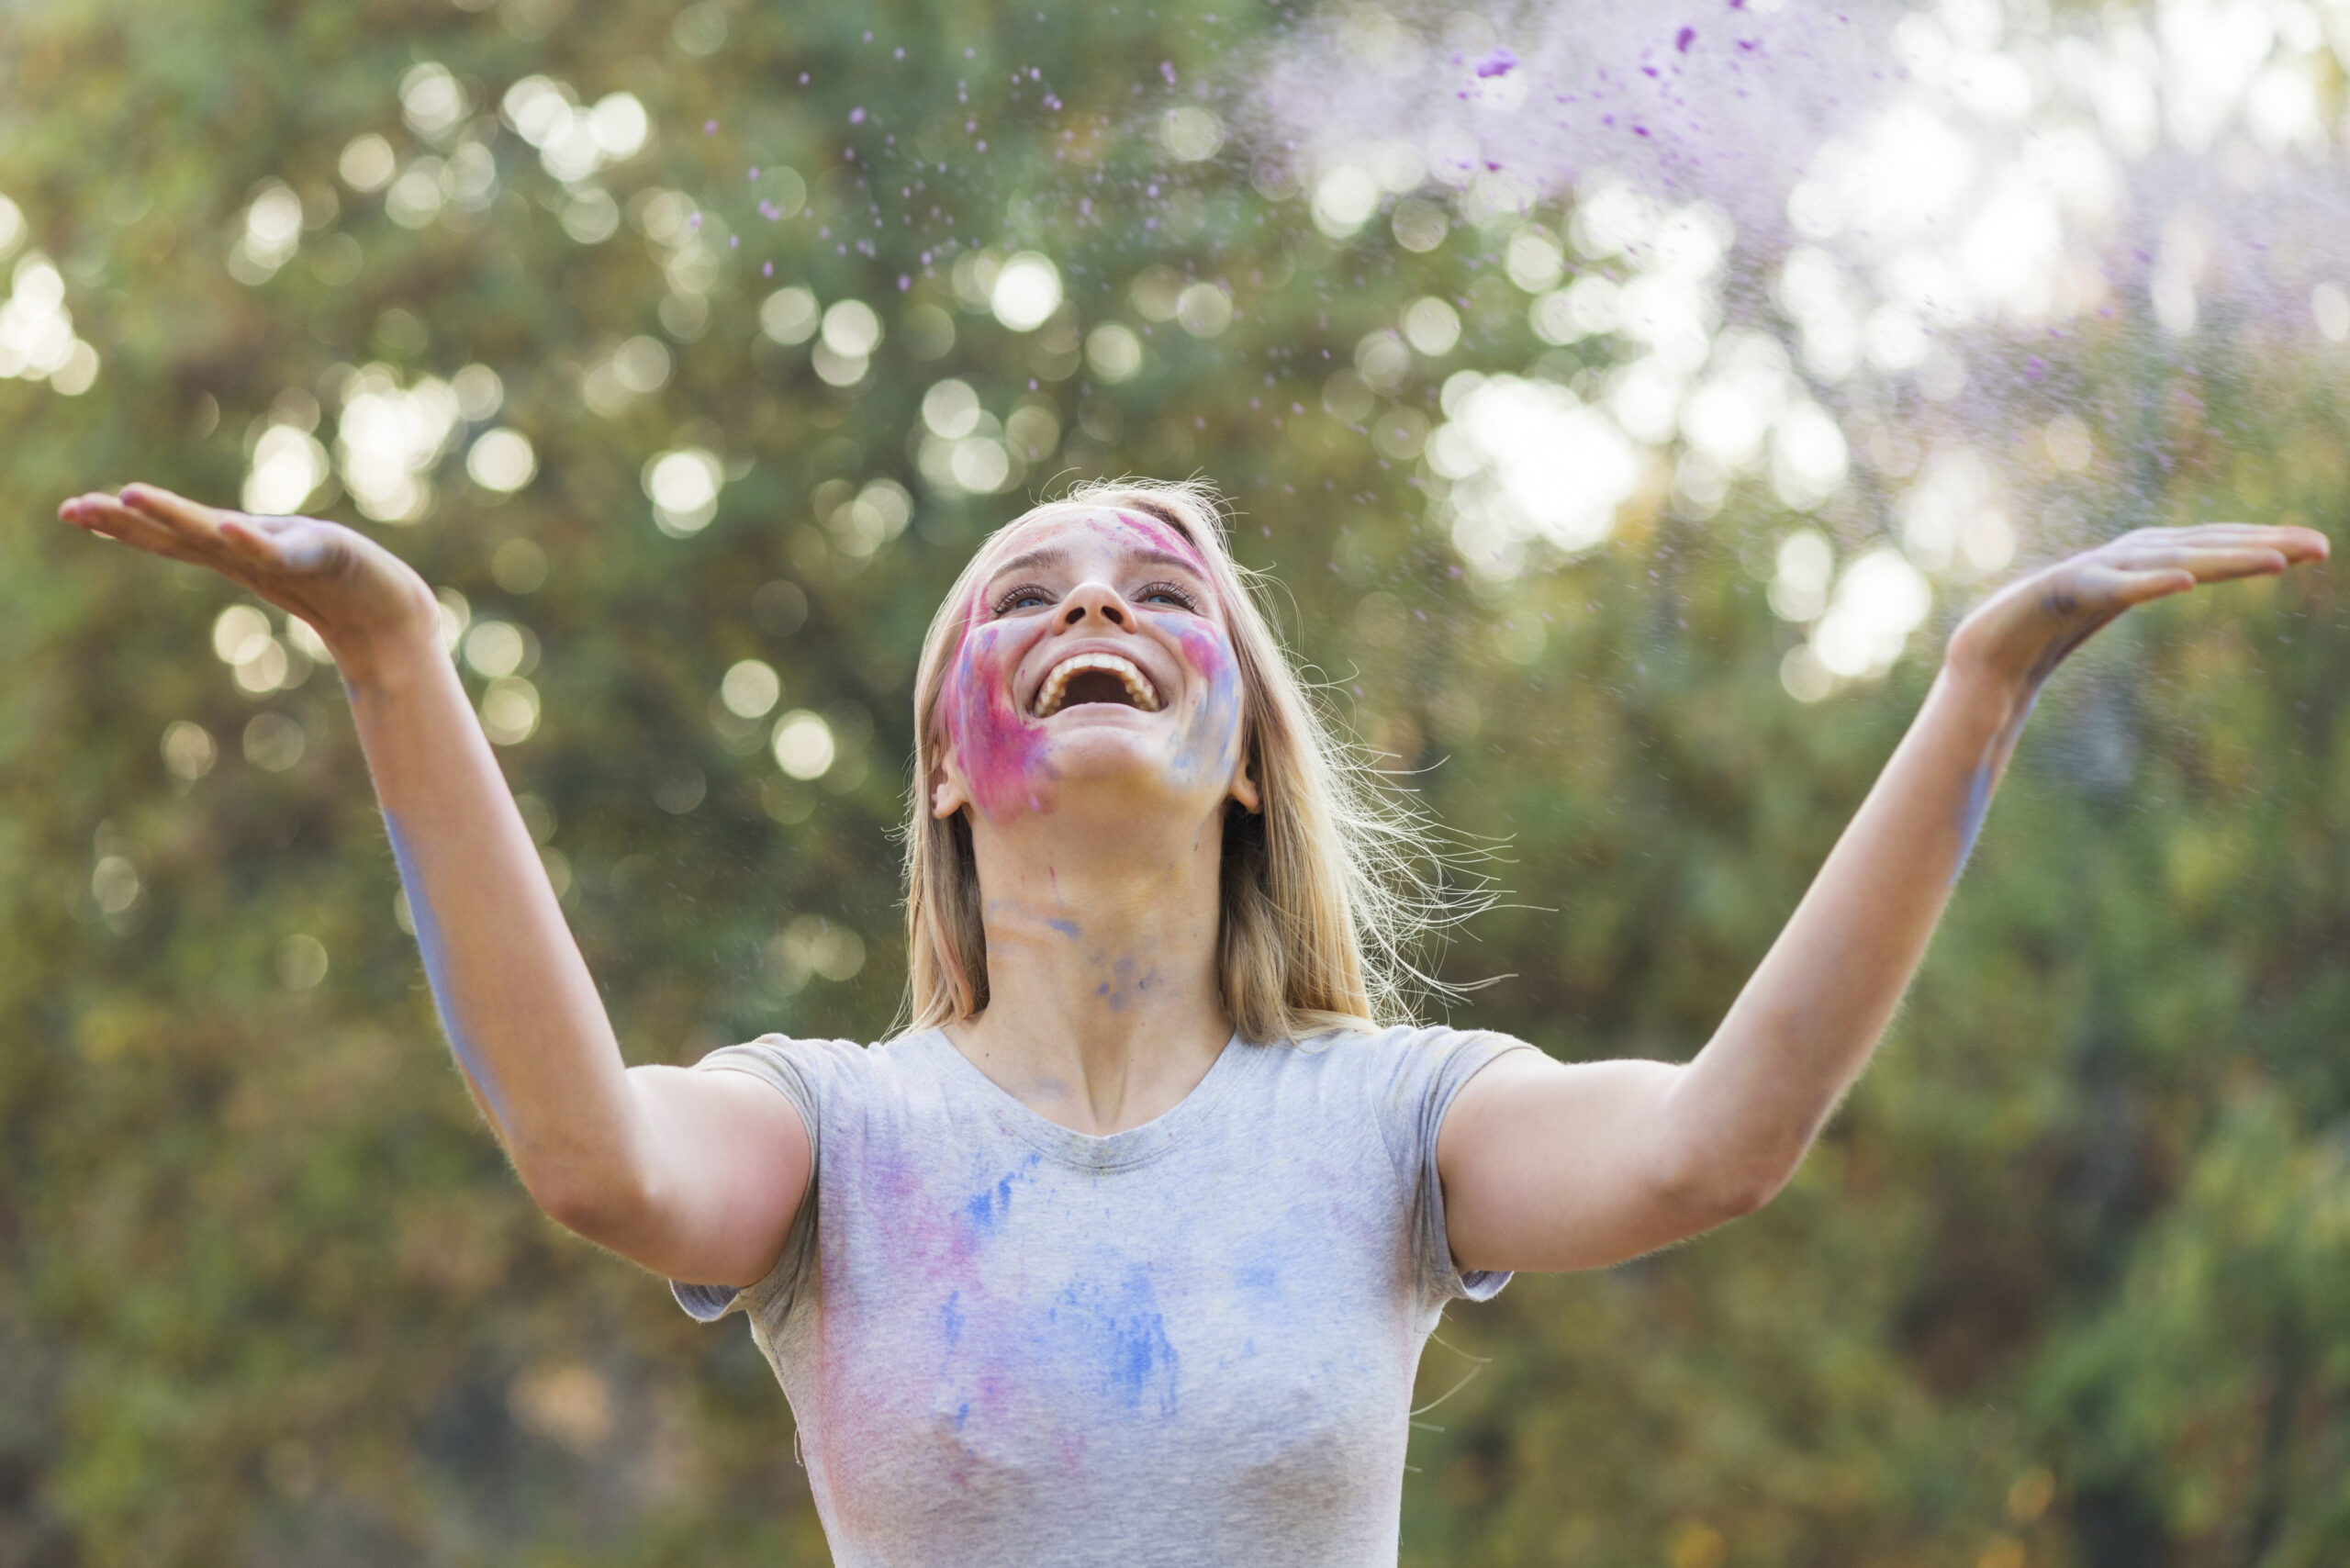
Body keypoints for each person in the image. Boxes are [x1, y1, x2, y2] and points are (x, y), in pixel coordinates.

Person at [58, 476, 2324, 1565]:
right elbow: (587, 1154)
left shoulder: (1390, 1126)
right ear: (950, 755)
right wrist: (395, 663)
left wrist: (1970, 685)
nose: (1093, 610)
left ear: (1243, 745)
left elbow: (1717, 1140)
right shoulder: (829, 1136)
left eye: (1160, 593)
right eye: (1023, 595)